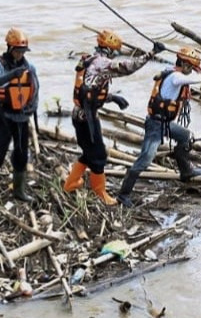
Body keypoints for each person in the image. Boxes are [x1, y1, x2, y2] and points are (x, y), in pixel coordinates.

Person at [64, 30, 165, 205]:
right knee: (99, 155)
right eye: (115, 51)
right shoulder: (103, 63)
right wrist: (152, 53)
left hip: (82, 115)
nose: (116, 54)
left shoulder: (91, 60)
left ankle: (72, 183)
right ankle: (99, 192)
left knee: (91, 152)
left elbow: (92, 90)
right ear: (111, 50)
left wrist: (112, 98)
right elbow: (127, 68)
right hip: (86, 118)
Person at [116, 47, 201, 208]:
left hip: (165, 123)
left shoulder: (170, 71)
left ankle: (186, 171)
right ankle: (123, 195)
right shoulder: (175, 77)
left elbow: (194, 76)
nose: (191, 71)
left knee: (185, 136)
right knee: (144, 160)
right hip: (155, 125)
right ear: (185, 66)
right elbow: (194, 80)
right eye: (191, 68)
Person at [0, 28, 40, 202]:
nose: (20, 54)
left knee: (21, 155)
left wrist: (31, 109)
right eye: (18, 51)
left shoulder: (29, 67)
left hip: (21, 118)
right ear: (10, 49)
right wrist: (12, 74)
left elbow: (35, 90)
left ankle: (19, 191)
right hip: (3, 116)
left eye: (23, 51)